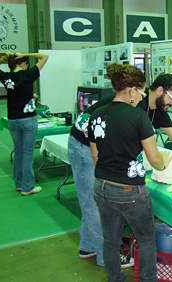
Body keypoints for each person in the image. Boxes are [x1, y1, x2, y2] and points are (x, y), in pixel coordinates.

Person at [89, 63, 172, 282]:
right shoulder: (138, 117)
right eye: (142, 92)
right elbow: (154, 159)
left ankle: (115, 278)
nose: (142, 97)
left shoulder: (97, 113)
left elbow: (96, 156)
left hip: (102, 186)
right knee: (146, 240)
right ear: (132, 90)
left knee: (111, 240)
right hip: (130, 190)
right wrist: (164, 163)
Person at [0, 52, 48, 196]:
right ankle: (27, 187)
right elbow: (45, 57)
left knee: (19, 151)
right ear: (23, 63)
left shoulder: (6, 77)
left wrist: (4, 58)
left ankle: (19, 183)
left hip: (13, 120)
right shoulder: (28, 75)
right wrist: (26, 53)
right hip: (28, 120)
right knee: (28, 153)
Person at [68, 93, 114, 267]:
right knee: (92, 202)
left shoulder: (130, 102)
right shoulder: (111, 106)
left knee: (90, 202)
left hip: (89, 148)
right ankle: (107, 257)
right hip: (83, 148)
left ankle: (87, 246)